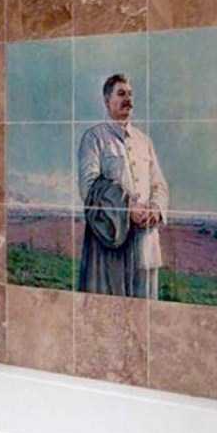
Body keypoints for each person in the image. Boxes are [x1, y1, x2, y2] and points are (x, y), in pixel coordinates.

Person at [78, 73, 169, 298]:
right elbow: (89, 187)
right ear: (107, 101)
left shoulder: (144, 141)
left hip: (145, 243)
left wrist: (155, 209)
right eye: (121, 94)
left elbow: (159, 184)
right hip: (110, 239)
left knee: (145, 312)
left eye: (130, 94)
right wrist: (128, 208)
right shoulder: (94, 138)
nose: (128, 99)